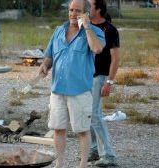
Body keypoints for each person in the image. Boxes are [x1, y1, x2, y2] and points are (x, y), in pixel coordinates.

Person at [37, 0, 105, 167]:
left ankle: (82, 165)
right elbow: (50, 55)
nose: (73, 14)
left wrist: (87, 26)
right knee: (58, 129)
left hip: (80, 91)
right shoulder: (59, 31)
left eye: (78, 11)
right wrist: (45, 65)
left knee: (82, 131)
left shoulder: (95, 32)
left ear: (86, 13)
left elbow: (97, 49)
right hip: (57, 90)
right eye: (71, 10)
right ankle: (60, 164)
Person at [88, 0, 119, 166]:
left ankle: (109, 155)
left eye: (90, 6)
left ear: (98, 9)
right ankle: (93, 149)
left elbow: (115, 58)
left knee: (95, 114)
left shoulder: (110, 29)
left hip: (99, 77)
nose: (86, 8)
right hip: (85, 77)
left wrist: (109, 82)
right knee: (87, 114)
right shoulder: (85, 27)